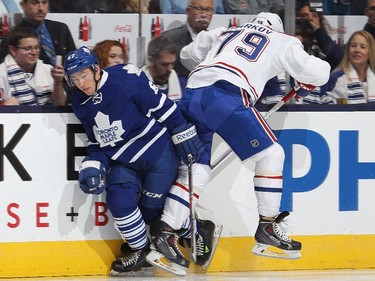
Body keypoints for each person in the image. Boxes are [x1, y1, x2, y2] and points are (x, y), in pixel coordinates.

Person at [146, 12, 330, 275]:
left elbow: (186, 55)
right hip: (226, 95)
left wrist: (219, 61)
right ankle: (268, 226)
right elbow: (319, 72)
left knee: (196, 170)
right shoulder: (282, 39)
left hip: (193, 93)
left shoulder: (224, 32)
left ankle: (165, 235)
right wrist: (306, 79)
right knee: (272, 154)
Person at [63, 46, 217, 275]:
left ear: (96, 69)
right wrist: (93, 164)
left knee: (151, 213)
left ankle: (196, 229)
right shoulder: (80, 102)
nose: (80, 83)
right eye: (74, 79)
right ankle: (142, 252)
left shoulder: (127, 78)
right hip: (124, 162)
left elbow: (163, 107)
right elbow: (97, 143)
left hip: (158, 153)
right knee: (118, 200)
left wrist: (182, 131)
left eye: (83, 75)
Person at [302, 30, 375, 104]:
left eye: (363, 47)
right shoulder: (335, 78)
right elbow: (316, 100)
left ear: (371, 51)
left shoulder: (373, 78)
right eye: (353, 45)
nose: (357, 50)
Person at [0, 26, 66, 105]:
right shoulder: (2, 73)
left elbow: (60, 104)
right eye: (28, 48)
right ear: (13, 50)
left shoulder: (49, 70)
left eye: (36, 47)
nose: (34, 52)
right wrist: (4, 107)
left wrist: (58, 83)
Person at [161, 0, 215, 89]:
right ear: (187, 11)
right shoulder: (169, 38)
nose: (204, 14)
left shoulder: (216, 42)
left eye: (208, 10)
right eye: (198, 9)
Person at [296, 0, 344, 70]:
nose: (310, 19)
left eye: (314, 15)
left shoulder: (324, 41)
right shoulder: (293, 39)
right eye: (305, 16)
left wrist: (318, 31)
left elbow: (339, 57)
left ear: (320, 19)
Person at [141, 36, 182, 102]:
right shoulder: (136, 85)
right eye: (164, 64)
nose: (170, 69)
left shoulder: (182, 84)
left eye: (172, 64)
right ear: (150, 60)